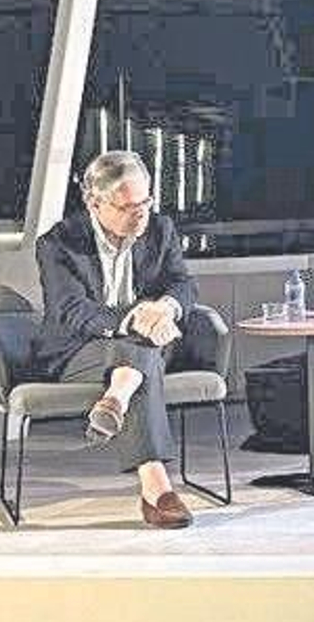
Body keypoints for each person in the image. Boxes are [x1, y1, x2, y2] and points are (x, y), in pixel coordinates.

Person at [34, 150, 219, 529]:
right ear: (94, 202)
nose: (141, 214)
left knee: (141, 348)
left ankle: (118, 398)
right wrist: (133, 318)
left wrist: (166, 307)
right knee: (140, 350)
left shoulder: (159, 229)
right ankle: (157, 489)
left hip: (147, 340)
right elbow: (72, 311)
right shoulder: (58, 243)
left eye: (146, 202)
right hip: (79, 351)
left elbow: (182, 283)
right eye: (128, 206)